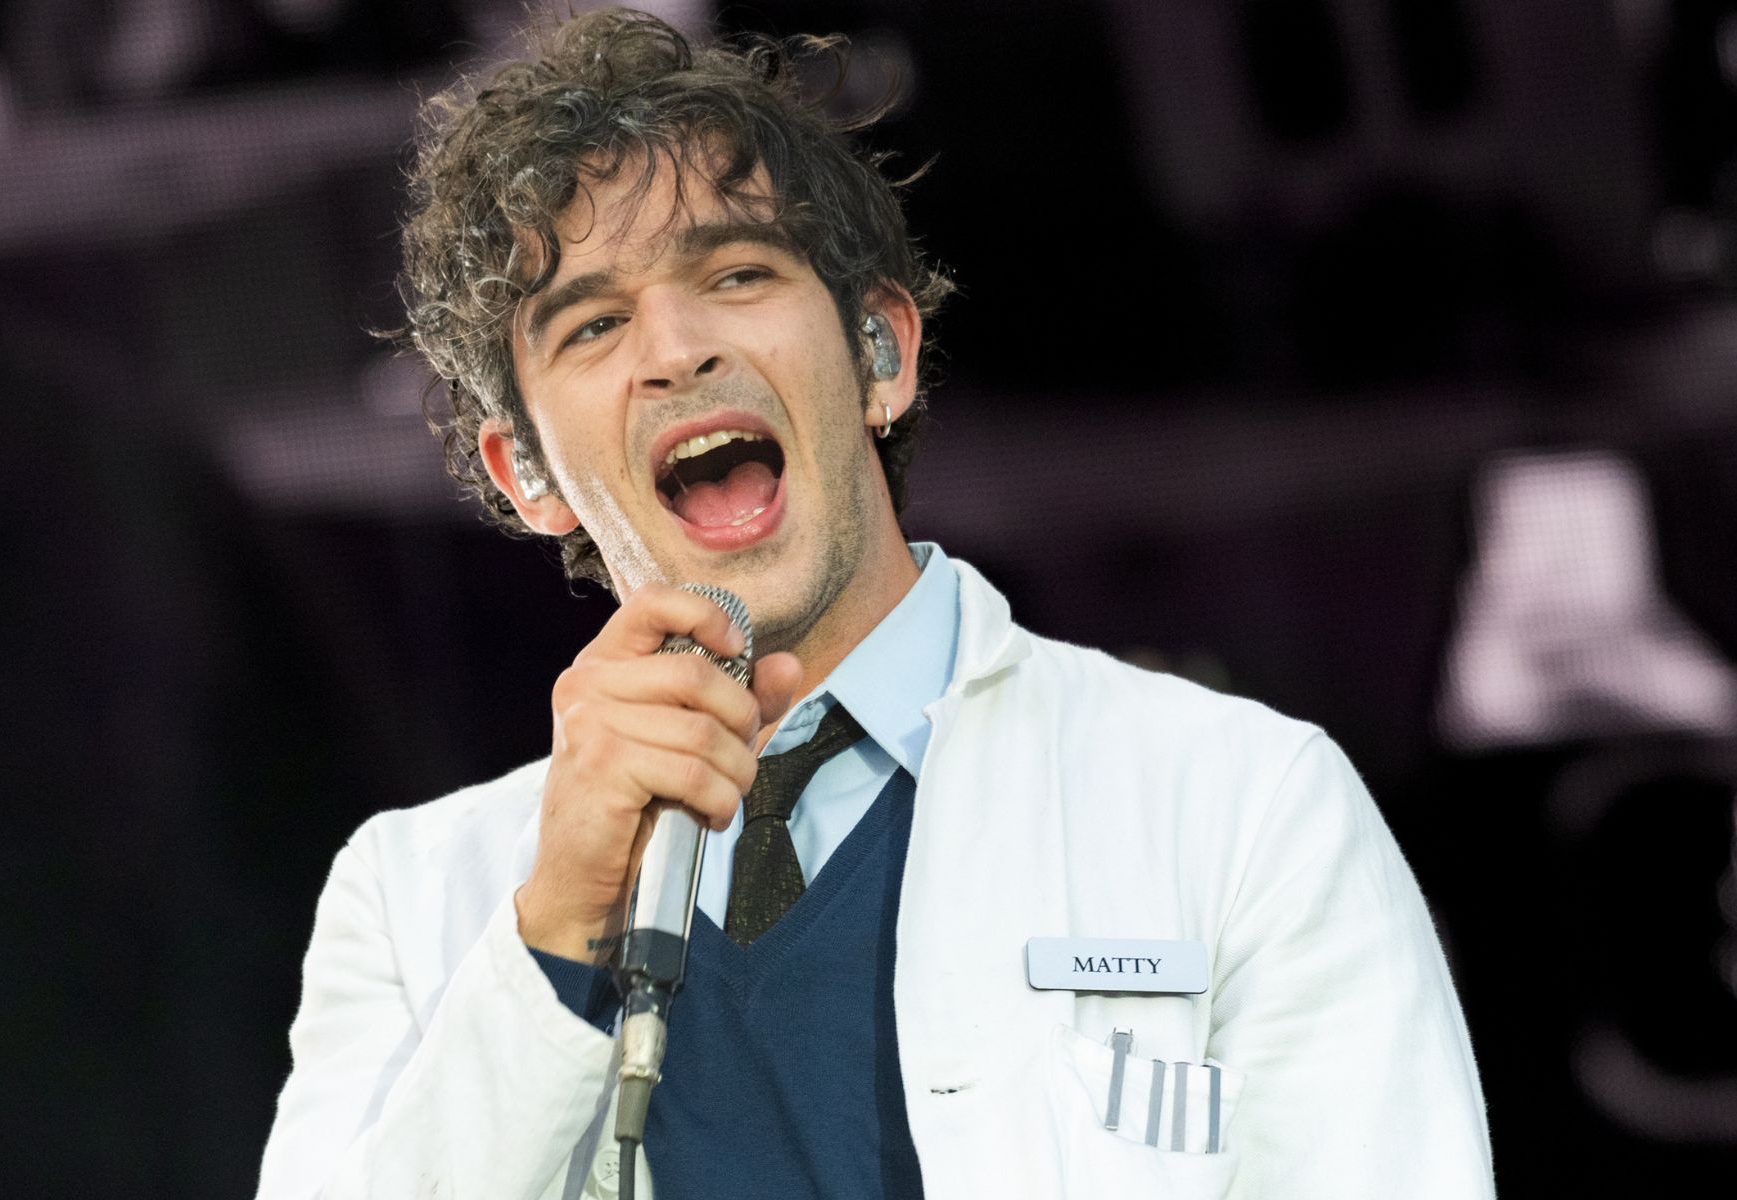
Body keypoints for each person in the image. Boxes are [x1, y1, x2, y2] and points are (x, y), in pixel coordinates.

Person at [256, 8, 1495, 1198]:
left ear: (881, 357)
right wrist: (553, 932)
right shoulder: (415, 899)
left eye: (736, 273)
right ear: (526, 476)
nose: (676, 349)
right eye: (590, 325)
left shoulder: (1241, 803)